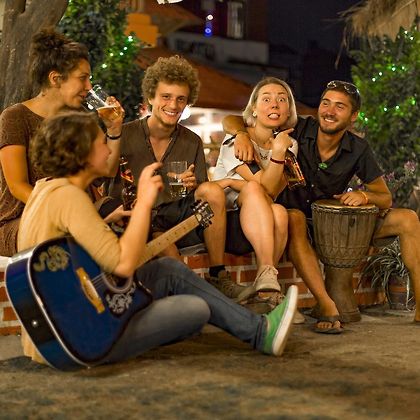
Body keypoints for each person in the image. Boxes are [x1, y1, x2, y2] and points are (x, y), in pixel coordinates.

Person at [18, 111, 299, 365]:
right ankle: (259, 331)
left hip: (51, 339)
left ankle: (260, 330)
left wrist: (102, 223)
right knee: (194, 310)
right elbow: (123, 264)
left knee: (168, 270)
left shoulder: (47, 189)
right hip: (81, 339)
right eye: (102, 143)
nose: (108, 150)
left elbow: (59, 254)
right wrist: (144, 201)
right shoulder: (70, 196)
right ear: (82, 152)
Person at [223, 79, 420, 324]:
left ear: (353, 116)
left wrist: (364, 196)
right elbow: (234, 119)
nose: (329, 111)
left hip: (331, 225)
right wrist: (240, 134)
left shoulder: (358, 148)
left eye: (340, 106)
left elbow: (385, 197)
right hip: (291, 218)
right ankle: (325, 304)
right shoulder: (298, 128)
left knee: (408, 218)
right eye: (326, 103)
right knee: (295, 217)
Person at [107, 55, 243, 298]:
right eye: (166, 97)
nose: (173, 105)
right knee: (171, 257)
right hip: (135, 217)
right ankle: (195, 301)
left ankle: (218, 274)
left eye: (181, 99)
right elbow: (103, 176)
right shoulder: (123, 134)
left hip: (176, 217)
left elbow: (203, 194)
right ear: (151, 97)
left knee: (212, 191)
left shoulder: (192, 141)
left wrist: (194, 185)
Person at [218, 78, 341, 332]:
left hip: (264, 221)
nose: (274, 104)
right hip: (231, 223)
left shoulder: (289, 144)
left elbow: (272, 192)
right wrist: (276, 154)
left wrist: (278, 151)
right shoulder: (236, 141)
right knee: (256, 192)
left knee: (279, 211)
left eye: (282, 99)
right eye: (266, 99)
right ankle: (268, 286)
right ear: (254, 109)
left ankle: (266, 289)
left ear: (288, 111)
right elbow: (261, 188)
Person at [0, 28, 124, 257]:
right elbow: (17, 185)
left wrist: (114, 130)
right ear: (55, 79)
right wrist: (65, 213)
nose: (89, 87)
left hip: (79, 212)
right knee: (63, 240)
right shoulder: (15, 117)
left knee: (129, 217)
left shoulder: (78, 118)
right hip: (24, 218)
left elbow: (107, 169)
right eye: (82, 78)